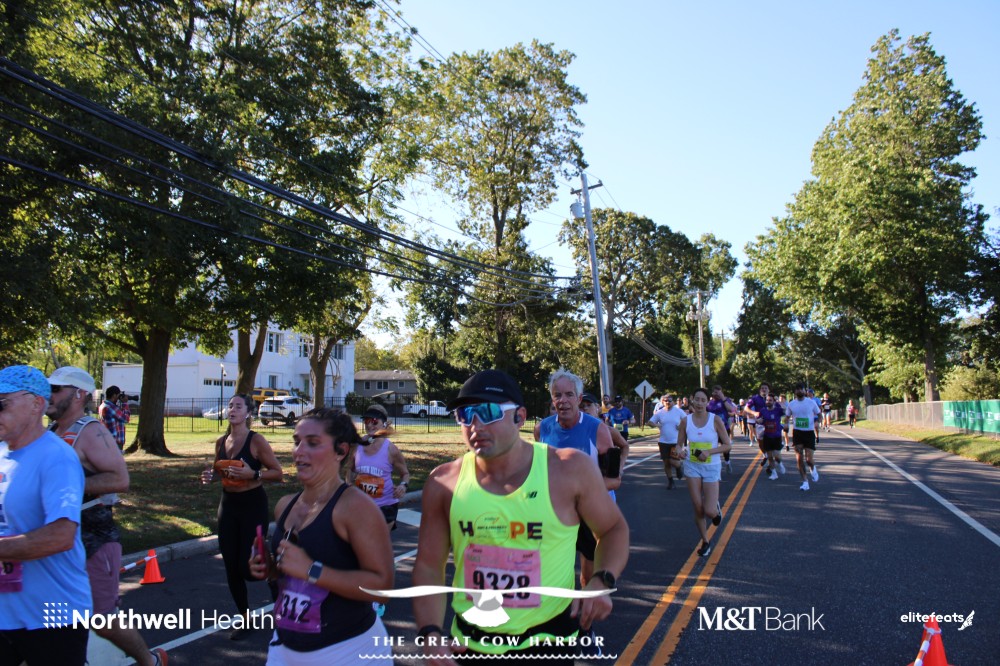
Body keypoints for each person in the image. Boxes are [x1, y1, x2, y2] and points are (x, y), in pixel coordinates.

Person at [413, 369, 629, 665]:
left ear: (519, 417)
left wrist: (601, 581)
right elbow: (428, 565)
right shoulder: (443, 482)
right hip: (471, 644)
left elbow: (613, 529)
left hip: (548, 643)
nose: (475, 425)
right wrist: (430, 633)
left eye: (488, 412)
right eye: (465, 414)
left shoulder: (569, 470)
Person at [249, 408, 393, 664]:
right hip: (285, 646)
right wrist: (270, 568)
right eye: (297, 442)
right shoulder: (285, 506)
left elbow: (381, 587)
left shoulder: (356, 508)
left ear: (341, 451)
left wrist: (312, 570)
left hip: (349, 651)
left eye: (313, 443)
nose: (299, 451)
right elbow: (291, 576)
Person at [46, 367, 167, 666]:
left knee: (101, 619)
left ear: (79, 394)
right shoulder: (50, 432)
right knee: (52, 615)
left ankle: (150, 661)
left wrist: (69, 486)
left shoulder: (91, 431)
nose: (49, 395)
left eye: (56, 389)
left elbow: (120, 479)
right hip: (56, 541)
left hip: (93, 540)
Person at [0, 365, 92, 665]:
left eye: (2, 404)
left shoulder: (56, 458)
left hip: (53, 615)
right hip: (6, 613)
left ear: (36, 404)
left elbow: (61, 535)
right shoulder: (1, 453)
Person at [199, 394, 283, 639]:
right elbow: (220, 470)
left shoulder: (256, 441)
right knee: (231, 566)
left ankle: (275, 577)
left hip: (252, 505)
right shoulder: (221, 442)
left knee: (247, 568)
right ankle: (245, 619)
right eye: (230, 406)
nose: (232, 409)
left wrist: (253, 474)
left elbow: (277, 473)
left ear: (248, 413)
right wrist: (211, 476)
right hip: (228, 505)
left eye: (238, 406)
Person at [534, 371, 620, 589]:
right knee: (550, 574)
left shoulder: (598, 430)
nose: (563, 400)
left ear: (579, 399)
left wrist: (578, 493)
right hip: (555, 511)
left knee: (587, 577)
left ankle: (587, 608)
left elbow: (614, 480)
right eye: (557, 395)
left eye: (569, 394)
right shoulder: (542, 429)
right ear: (552, 398)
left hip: (590, 511)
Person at [677, 387, 733, 557]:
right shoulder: (685, 421)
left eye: (703, 400)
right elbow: (678, 444)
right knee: (697, 507)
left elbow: (727, 445)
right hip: (692, 465)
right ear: (692, 400)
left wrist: (709, 452)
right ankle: (705, 541)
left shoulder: (715, 420)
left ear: (707, 402)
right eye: (697, 399)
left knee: (709, 511)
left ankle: (715, 509)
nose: (699, 403)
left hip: (711, 467)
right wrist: (680, 451)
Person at [346, 404, 410, 532]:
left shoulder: (391, 449)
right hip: (362, 505)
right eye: (367, 421)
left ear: (384, 424)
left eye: (374, 421)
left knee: (376, 542)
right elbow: (350, 469)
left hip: (385, 506)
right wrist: (349, 485)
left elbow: (405, 474)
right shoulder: (358, 445)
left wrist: (403, 486)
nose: (370, 425)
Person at [787, 383, 822, 491]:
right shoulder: (791, 404)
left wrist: (817, 422)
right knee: (799, 459)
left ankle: (812, 468)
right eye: (797, 389)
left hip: (809, 433)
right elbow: (786, 417)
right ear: (795, 392)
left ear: (804, 391)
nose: (799, 391)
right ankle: (805, 482)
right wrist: (784, 424)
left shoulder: (811, 402)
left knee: (809, 460)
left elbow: (819, 414)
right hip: (797, 433)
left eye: (801, 389)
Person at [647, 394, 686, 488]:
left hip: (675, 441)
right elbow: (650, 422)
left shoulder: (678, 411)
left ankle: (679, 467)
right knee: (666, 462)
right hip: (663, 441)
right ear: (663, 402)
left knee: (674, 462)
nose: (668, 402)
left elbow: (687, 420)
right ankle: (670, 481)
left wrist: (681, 426)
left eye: (669, 400)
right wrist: (657, 425)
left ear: (673, 401)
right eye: (666, 401)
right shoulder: (660, 412)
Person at [706, 385, 738, 473]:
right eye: (715, 392)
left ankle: (727, 462)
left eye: (719, 392)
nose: (717, 394)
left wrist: (723, 398)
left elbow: (731, 410)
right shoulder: (710, 403)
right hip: (712, 429)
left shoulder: (725, 400)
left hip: (724, 428)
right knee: (712, 447)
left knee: (726, 447)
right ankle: (713, 465)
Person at [756, 392, 786, 481]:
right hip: (767, 436)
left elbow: (786, 411)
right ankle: (774, 473)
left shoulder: (778, 410)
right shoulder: (763, 410)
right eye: (767, 400)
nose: (768, 402)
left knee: (777, 456)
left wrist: (779, 402)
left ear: (774, 401)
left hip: (776, 436)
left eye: (770, 400)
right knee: (769, 456)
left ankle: (780, 464)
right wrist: (758, 420)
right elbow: (758, 420)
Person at [99, 385, 131, 451]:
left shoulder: (103, 405)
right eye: (118, 396)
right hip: (115, 442)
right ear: (114, 395)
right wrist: (125, 403)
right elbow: (126, 419)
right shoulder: (110, 407)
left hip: (108, 439)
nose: (118, 398)